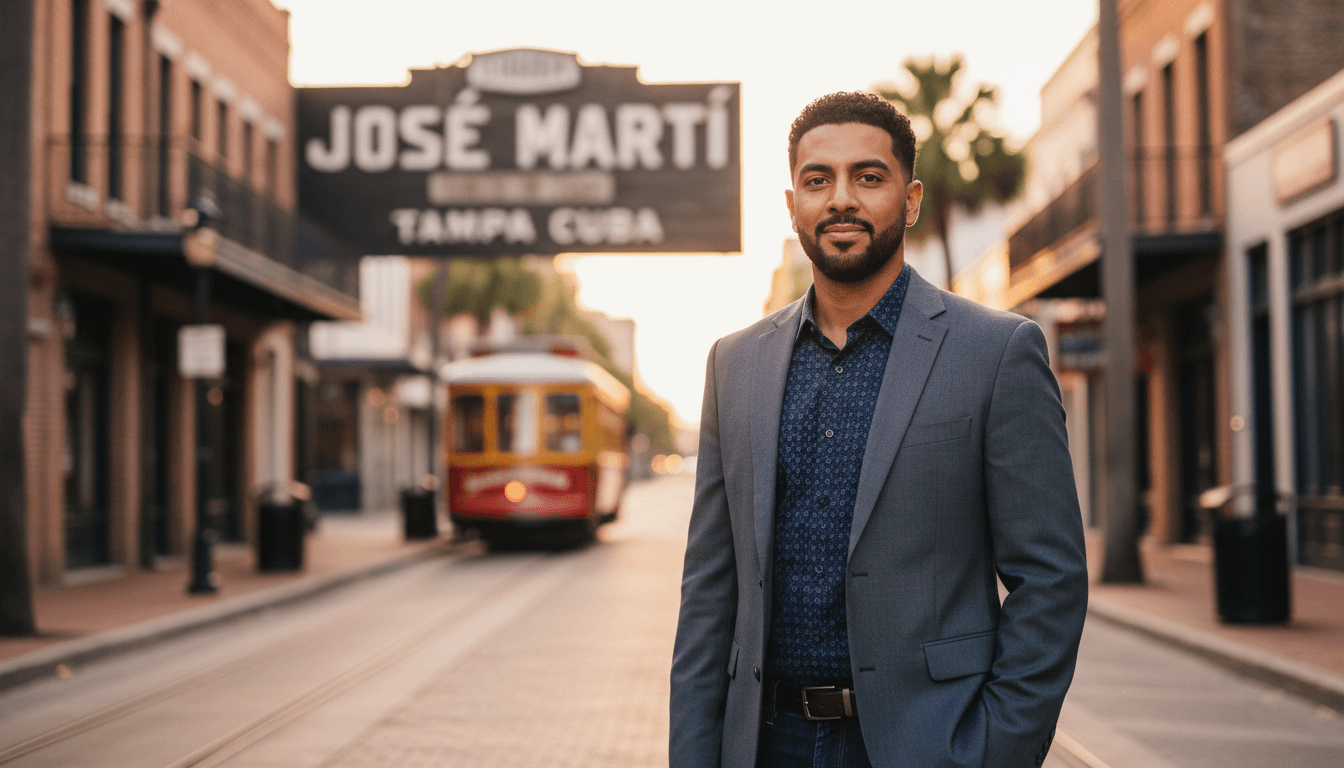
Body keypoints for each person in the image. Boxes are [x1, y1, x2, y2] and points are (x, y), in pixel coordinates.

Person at [670, 92, 1088, 768]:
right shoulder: (734, 364)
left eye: (868, 177)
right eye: (818, 180)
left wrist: (994, 750)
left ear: (911, 198)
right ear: (792, 205)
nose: (841, 199)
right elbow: (709, 591)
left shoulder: (996, 352)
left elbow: (1051, 579)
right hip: (763, 743)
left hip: (927, 744)